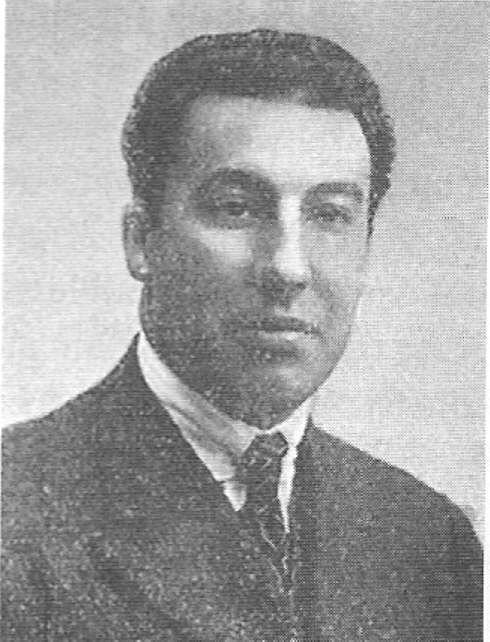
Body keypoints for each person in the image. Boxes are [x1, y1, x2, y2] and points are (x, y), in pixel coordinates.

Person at [2, 29, 482, 641]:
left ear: (366, 250)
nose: (289, 267)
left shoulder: (428, 538)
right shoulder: (14, 507)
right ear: (142, 240)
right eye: (237, 208)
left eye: (330, 215)